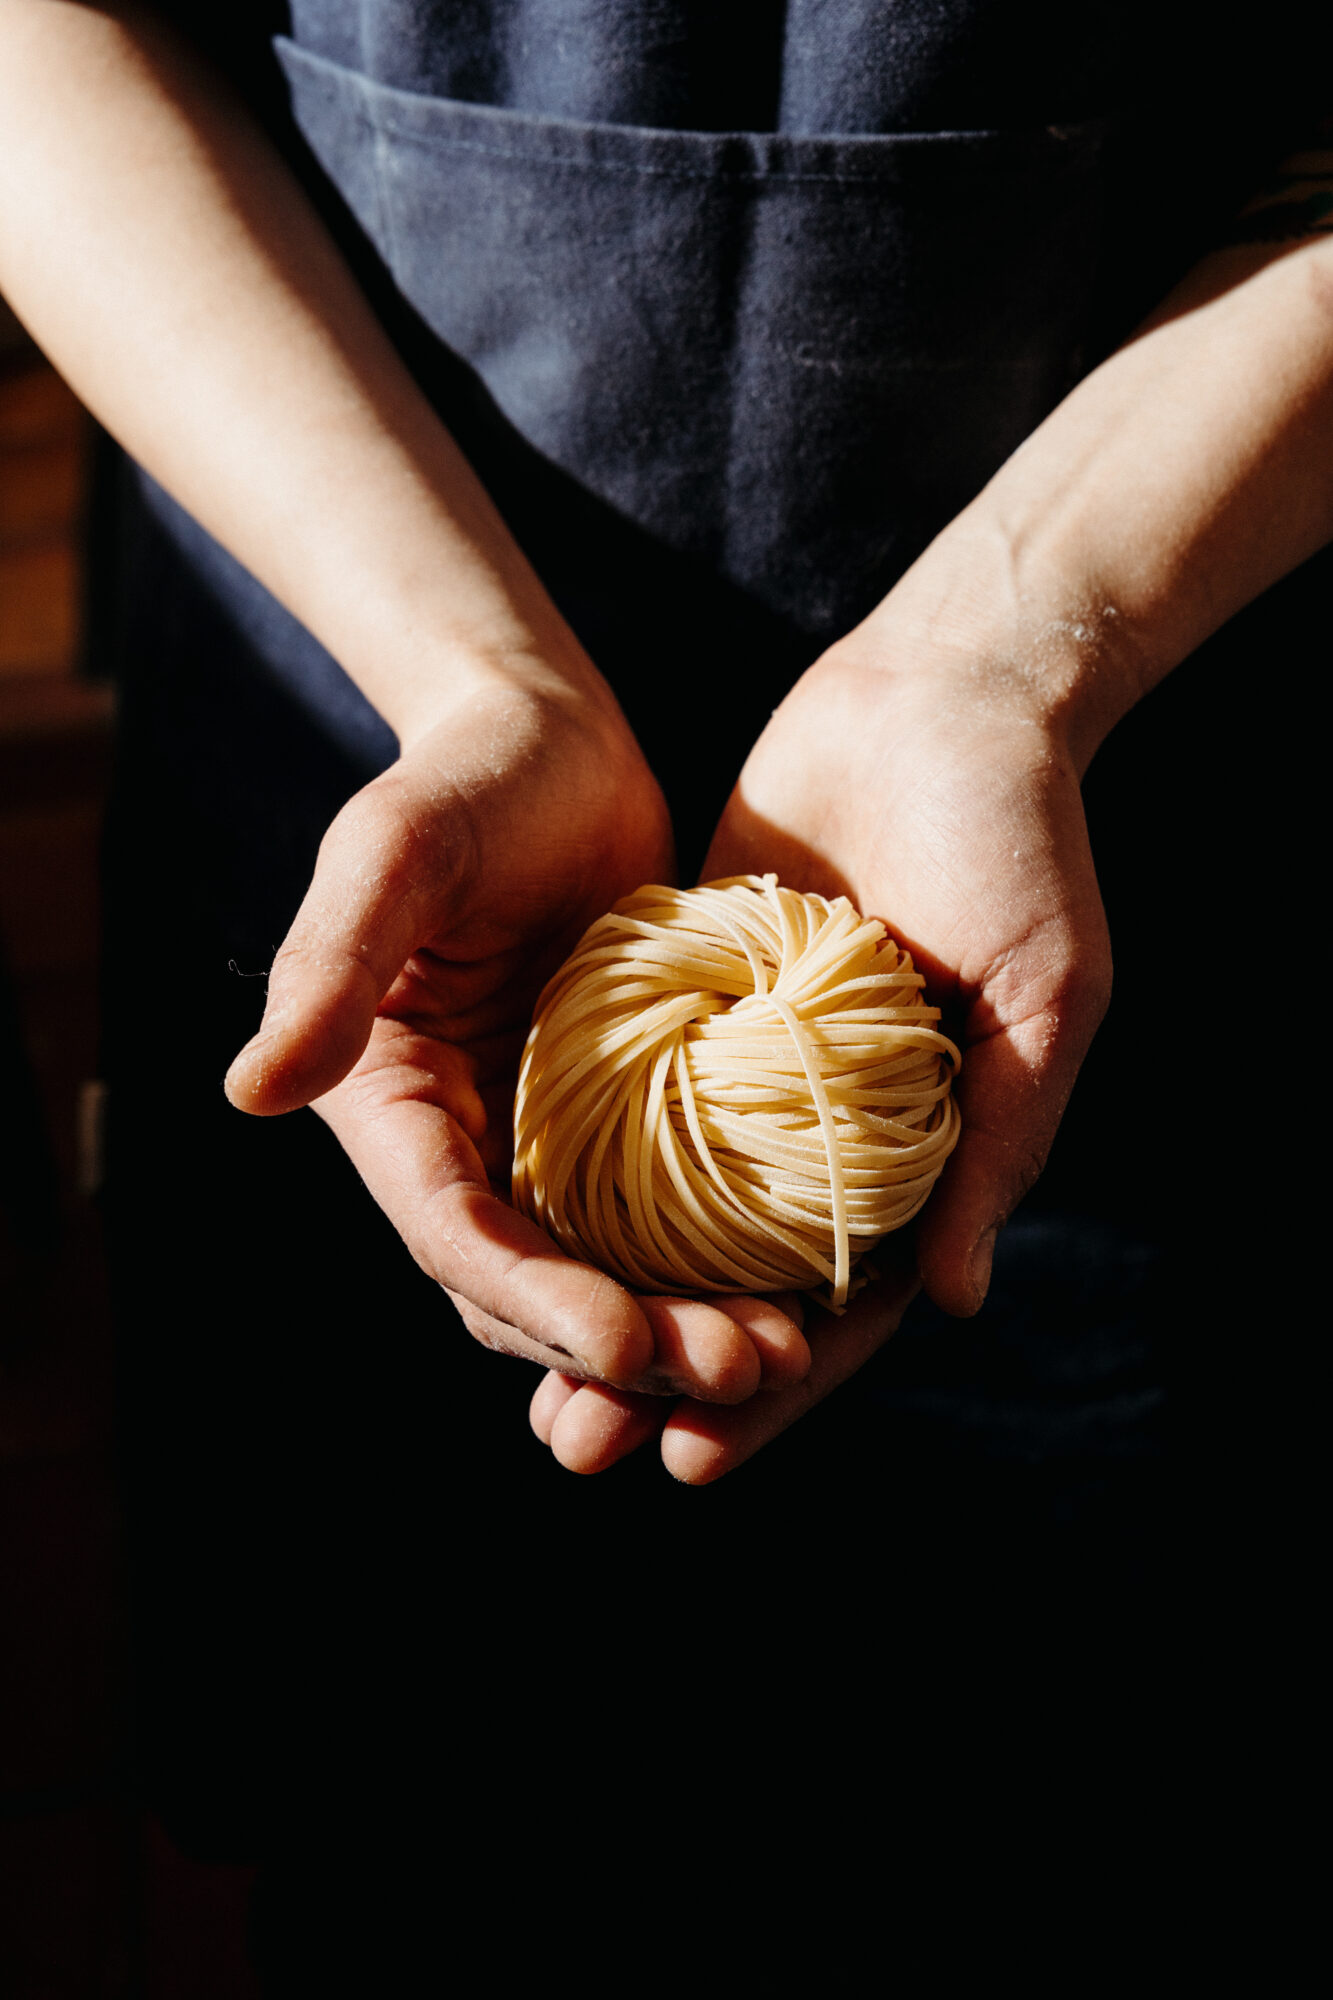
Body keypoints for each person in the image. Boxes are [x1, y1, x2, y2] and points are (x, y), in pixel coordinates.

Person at [0, 0, 1327, 1865]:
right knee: (429, 1793)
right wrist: (471, 678)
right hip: (352, 700)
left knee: (1095, 1804)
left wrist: (1016, 650)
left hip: (1161, 754)